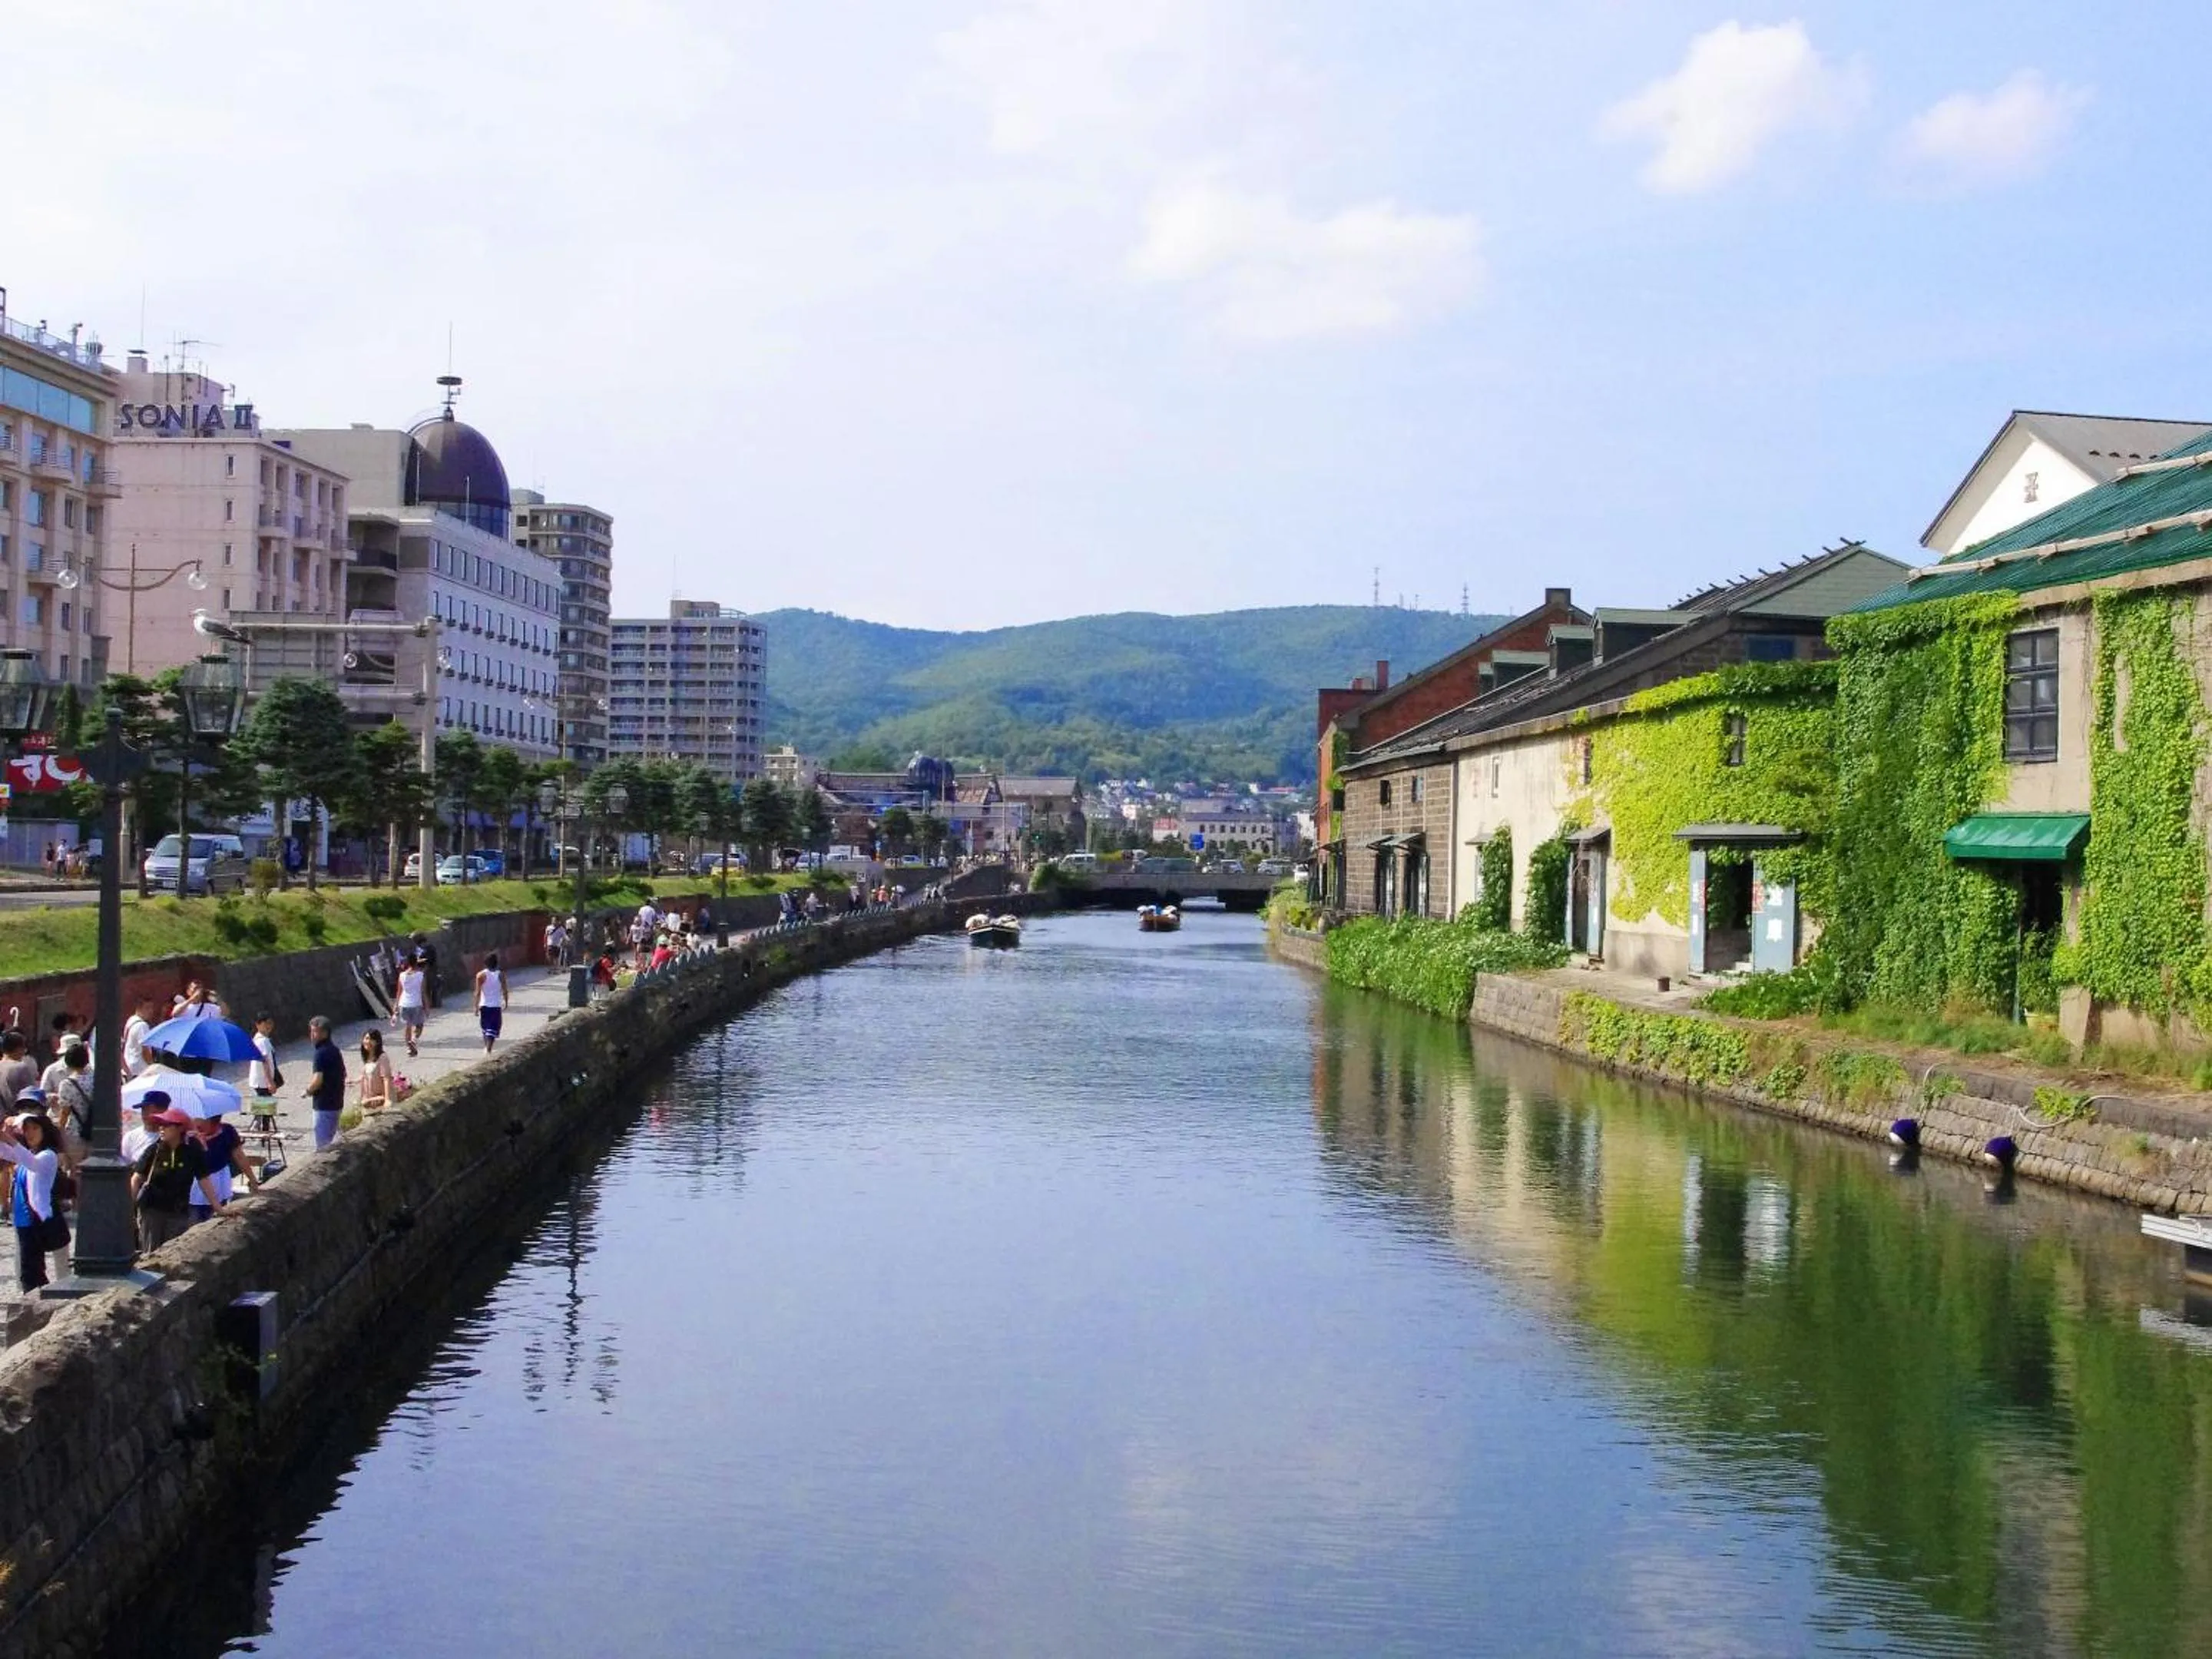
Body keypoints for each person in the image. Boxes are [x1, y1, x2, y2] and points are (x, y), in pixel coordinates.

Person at [130, 1107, 224, 1253]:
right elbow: (136, 1179)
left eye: (166, 1125)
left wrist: (218, 1207)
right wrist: (129, 1208)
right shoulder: (153, 1150)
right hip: (152, 1211)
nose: (161, 1129)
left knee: (174, 1251)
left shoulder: (192, 1152)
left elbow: (204, 1179)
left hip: (178, 1212)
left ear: (180, 1128)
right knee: (149, 1252)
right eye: (160, 1125)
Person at [0, 1111, 65, 1291]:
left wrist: (11, 1140)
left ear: (45, 1131)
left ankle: (36, 1308)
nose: (30, 1133)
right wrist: (4, 1136)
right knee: (28, 1270)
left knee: (34, 1272)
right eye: (26, 1129)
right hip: (23, 1220)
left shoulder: (48, 1155)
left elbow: (33, 1164)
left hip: (37, 1220)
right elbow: (7, 1152)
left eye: (35, 1128)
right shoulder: (27, 1153)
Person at [189, 1104, 254, 1224]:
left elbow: (239, 1156)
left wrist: (253, 1181)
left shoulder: (227, 1131)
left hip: (220, 1183)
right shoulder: (189, 1138)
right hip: (196, 1189)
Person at [39, 1046, 91, 1169]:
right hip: (94, 1130)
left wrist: (59, 1129)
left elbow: (65, 1112)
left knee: (74, 1169)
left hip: (74, 1132)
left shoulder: (67, 1084)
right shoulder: (97, 1079)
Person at [305, 1018, 346, 1150]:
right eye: (311, 1032)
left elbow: (318, 1080)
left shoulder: (320, 1053)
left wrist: (307, 1091)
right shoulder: (335, 1050)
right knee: (333, 1141)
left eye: (315, 1032)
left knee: (323, 1146)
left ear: (325, 1033)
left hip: (324, 1105)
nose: (312, 1036)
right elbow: (343, 1073)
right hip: (337, 1102)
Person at [394, 953, 429, 1058]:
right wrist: (427, 1006)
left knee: (408, 1026)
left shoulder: (402, 975)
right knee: (419, 1025)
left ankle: (409, 1048)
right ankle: (413, 1040)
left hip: (404, 1004)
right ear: (416, 962)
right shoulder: (420, 975)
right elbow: (423, 992)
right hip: (416, 1004)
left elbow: (399, 992)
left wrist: (396, 1006)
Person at [474, 952, 507, 1055]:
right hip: (495, 1005)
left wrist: (476, 1006)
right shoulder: (500, 975)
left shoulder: (480, 975)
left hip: (484, 1005)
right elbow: (505, 990)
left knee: (485, 1026)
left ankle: (487, 1047)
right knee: (494, 1027)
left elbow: (477, 992)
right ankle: (489, 1048)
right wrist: (506, 1001)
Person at [122, 1094, 167, 1167]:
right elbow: (124, 1163)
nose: (145, 1114)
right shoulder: (131, 1136)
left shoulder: (171, 1136)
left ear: (163, 1111)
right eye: (143, 1110)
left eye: (150, 1110)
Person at [358, 1029, 395, 1114]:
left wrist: (387, 1099)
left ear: (377, 1042)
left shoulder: (382, 1057)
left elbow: (386, 1078)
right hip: (369, 1099)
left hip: (380, 1099)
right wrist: (354, 1081)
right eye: (366, 1038)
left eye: (372, 1039)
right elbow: (368, 1075)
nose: (368, 1042)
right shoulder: (368, 1058)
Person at [247, 1012, 283, 1101]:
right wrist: (270, 1082)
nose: (268, 1026)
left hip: (258, 1081)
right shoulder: (263, 1041)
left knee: (262, 1110)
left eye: (270, 1023)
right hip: (262, 1083)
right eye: (265, 1023)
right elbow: (265, 1062)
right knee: (265, 1111)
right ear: (258, 1025)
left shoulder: (257, 1040)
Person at [122, 994, 160, 1078]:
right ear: (139, 1008)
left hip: (129, 1067)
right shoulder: (142, 1026)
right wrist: (152, 1067)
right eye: (147, 1008)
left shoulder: (131, 1020)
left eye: (152, 1008)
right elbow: (145, 1050)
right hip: (140, 1069)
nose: (151, 1011)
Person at [0, 1031, 37, 1108]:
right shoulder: (20, 1067)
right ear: (18, 1048)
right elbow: (32, 1096)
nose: (24, 1051)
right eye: (24, 1048)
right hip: (18, 1115)